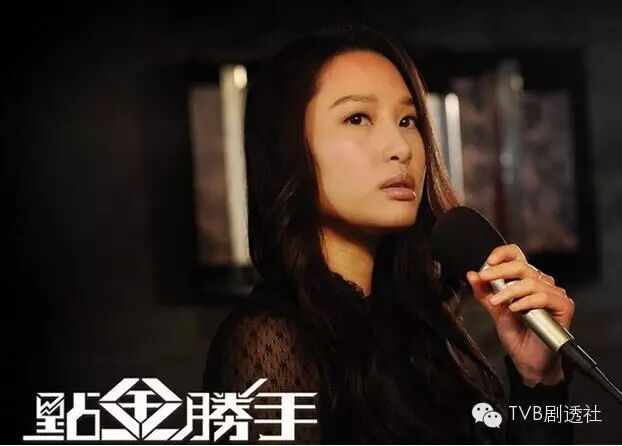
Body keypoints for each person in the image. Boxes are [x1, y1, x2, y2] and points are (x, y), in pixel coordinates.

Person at [203, 24, 576, 444]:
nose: (400, 146)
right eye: (357, 118)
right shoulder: (269, 341)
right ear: (288, 149)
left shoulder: (420, 325)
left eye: (408, 120)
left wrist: (539, 379)